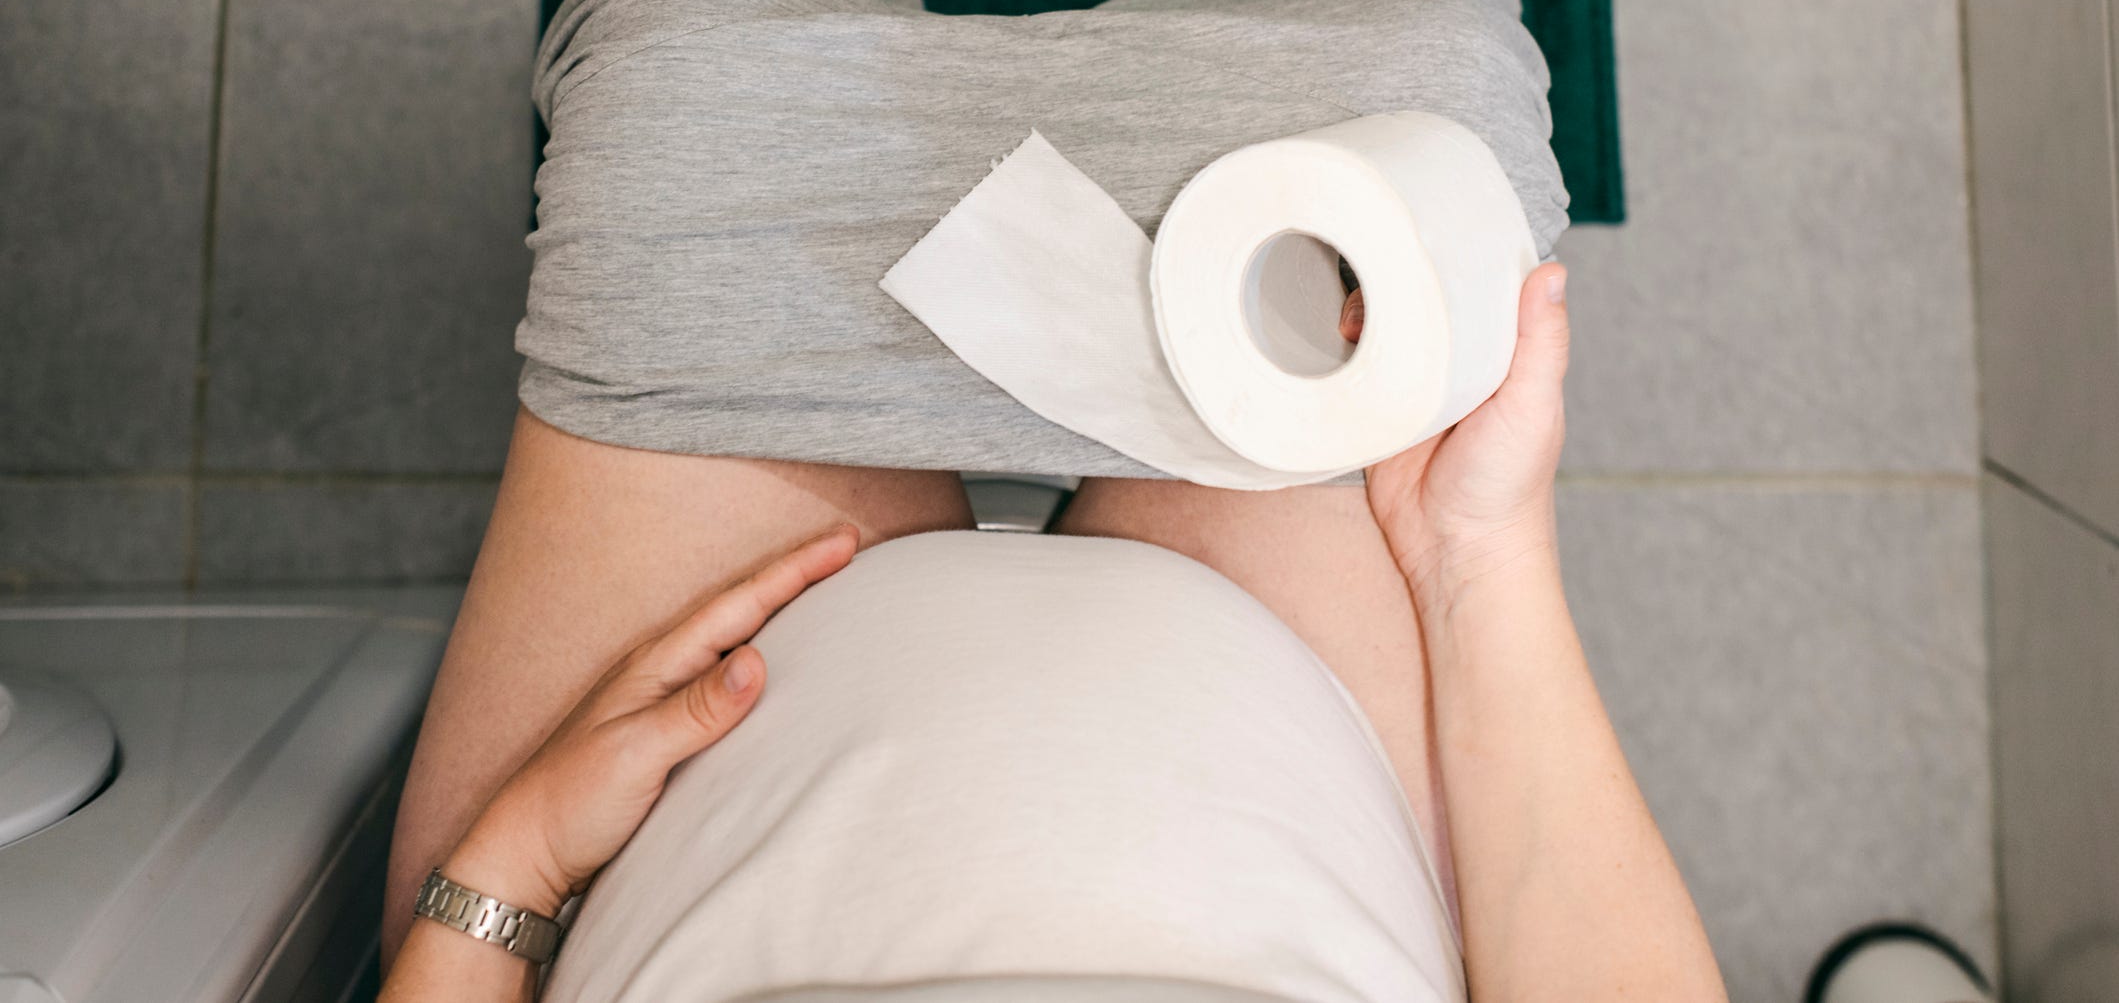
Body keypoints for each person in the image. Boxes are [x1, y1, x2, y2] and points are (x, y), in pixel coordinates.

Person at [379, 266, 1729, 1001]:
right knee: (1392, 91)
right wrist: (1471, 559)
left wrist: (522, 859)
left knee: (695, 31)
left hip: (665, 782)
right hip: (1308, 710)